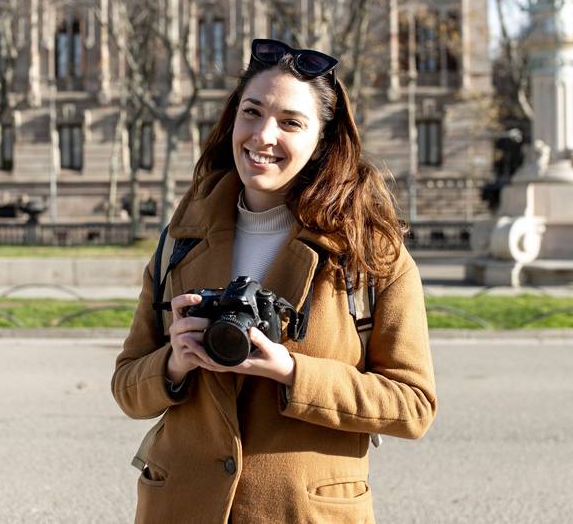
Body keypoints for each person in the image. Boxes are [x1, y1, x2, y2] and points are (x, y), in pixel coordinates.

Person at [112, 39, 437, 523]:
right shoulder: (180, 240)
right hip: (179, 506)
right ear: (231, 122)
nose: (263, 136)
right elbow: (126, 386)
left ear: (322, 141)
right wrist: (174, 364)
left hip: (303, 513)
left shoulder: (368, 253)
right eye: (252, 112)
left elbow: (413, 406)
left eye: (290, 122)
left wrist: (291, 372)